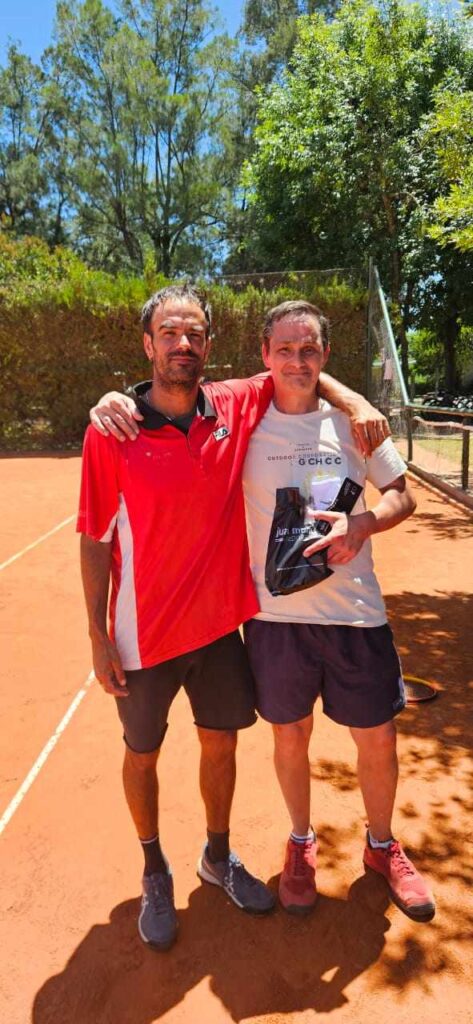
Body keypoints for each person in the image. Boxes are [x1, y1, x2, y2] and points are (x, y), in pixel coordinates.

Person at [81, 285, 390, 950]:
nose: (182, 344)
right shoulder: (113, 429)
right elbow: (95, 538)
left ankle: (216, 857)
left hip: (221, 627)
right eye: (170, 333)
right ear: (148, 344)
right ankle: (154, 868)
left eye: (194, 334)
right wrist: (97, 634)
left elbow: (297, 365)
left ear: (209, 346)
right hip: (142, 634)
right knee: (142, 754)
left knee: (221, 746)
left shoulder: (231, 402)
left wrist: (355, 399)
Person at [240, 300, 435, 921]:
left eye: (309, 350)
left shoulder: (356, 424)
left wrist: (363, 524)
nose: (297, 361)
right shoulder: (242, 426)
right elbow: (176, 391)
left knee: (378, 735)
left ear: (324, 356)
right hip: (276, 621)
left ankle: (381, 845)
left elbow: (403, 495)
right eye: (285, 349)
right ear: (265, 355)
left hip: (355, 615)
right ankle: (301, 842)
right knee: (289, 734)